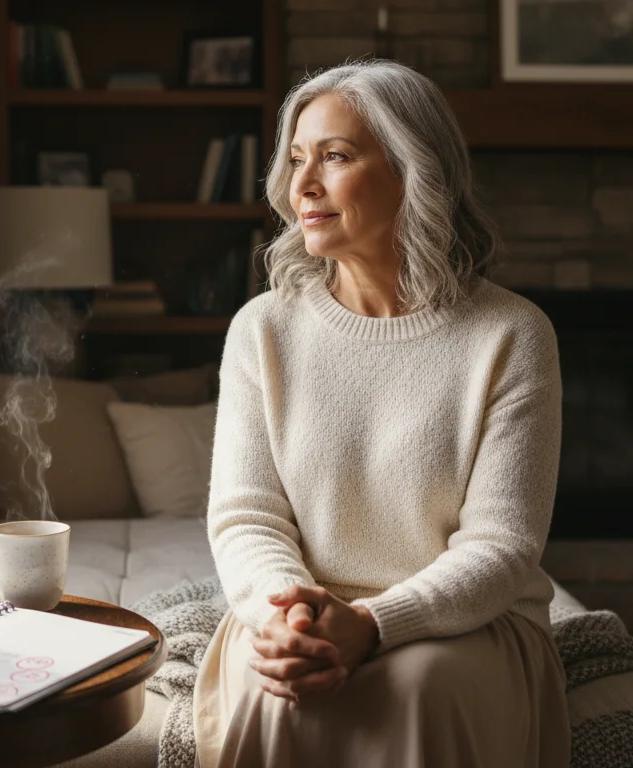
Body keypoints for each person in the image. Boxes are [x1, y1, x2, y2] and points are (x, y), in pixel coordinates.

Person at [191, 59, 571, 767]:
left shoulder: (511, 335)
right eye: (297, 159)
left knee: (420, 685)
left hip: (465, 624)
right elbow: (247, 515)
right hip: (294, 611)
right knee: (282, 687)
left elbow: (503, 545)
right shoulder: (262, 329)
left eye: (334, 157)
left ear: (413, 170)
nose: (301, 185)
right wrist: (291, 614)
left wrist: (371, 624)